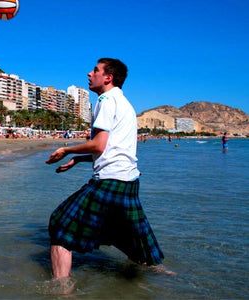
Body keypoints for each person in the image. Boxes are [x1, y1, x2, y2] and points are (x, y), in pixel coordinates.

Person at [45, 58, 172, 281]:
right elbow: (114, 149)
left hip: (110, 180)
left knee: (60, 225)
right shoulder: (124, 103)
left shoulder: (106, 99)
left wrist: (67, 150)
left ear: (108, 77)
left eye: (95, 70)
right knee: (124, 233)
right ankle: (160, 273)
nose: (89, 73)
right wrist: (81, 160)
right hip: (128, 182)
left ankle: (61, 291)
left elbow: (99, 145)